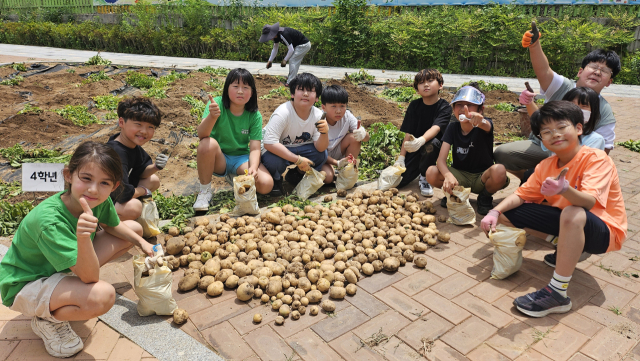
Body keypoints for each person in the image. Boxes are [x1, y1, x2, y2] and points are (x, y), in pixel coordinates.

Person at [0, 141, 155, 358]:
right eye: (86, 178)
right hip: (25, 283)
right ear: (68, 175)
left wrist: (143, 243)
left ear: (114, 186)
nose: (94, 189)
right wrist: (83, 236)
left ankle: (66, 290)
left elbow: (113, 225)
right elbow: (90, 277)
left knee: (133, 229)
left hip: (58, 267)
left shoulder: (95, 200)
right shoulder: (50, 221)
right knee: (102, 295)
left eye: (104, 183)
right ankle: (47, 319)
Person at [481, 101, 627, 318]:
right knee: (506, 213)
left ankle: (557, 293)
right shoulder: (545, 166)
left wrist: (565, 189)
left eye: (561, 127)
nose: (555, 135)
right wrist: (493, 212)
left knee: (573, 211)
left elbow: (587, 203)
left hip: (604, 231)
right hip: (570, 221)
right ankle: (565, 243)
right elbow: (521, 195)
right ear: (541, 139)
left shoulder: (596, 158)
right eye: (546, 132)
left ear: (578, 128)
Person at [495, 22, 620, 180]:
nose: (597, 72)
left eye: (605, 71)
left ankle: (554, 183)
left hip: (575, 159)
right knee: (503, 154)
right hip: (543, 145)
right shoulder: (563, 86)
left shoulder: (605, 112)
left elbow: (603, 152)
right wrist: (534, 45)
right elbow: (544, 70)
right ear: (580, 71)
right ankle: (529, 178)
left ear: (609, 81)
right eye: (593, 66)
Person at [193, 68, 273, 211]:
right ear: (227, 88)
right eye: (235, 86)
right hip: (219, 158)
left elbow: (255, 148)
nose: (240, 91)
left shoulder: (254, 115)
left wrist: (253, 168)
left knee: (266, 185)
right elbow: (201, 134)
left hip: (240, 159)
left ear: (252, 92)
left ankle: (234, 177)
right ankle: (204, 191)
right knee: (206, 143)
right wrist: (212, 116)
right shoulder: (216, 104)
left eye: (245, 87)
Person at [425, 84, 509, 215]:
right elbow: (440, 160)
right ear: (453, 109)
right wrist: (448, 176)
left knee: (499, 170)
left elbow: (486, 125)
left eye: (469, 105)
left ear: (480, 109)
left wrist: (480, 121)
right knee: (431, 172)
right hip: (460, 176)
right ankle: (456, 194)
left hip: (482, 177)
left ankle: (485, 197)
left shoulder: (485, 125)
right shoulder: (452, 128)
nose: (464, 109)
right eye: (459, 105)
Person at [261, 72, 329, 196]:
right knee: (273, 161)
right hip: (276, 148)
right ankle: (276, 179)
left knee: (321, 155)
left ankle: (297, 175)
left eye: (310, 91)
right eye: (301, 89)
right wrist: (298, 160)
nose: (306, 94)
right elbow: (269, 143)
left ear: (317, 97)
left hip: (299, 147)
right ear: (292, 94)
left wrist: (325, 133)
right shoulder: (283, 112)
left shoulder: (318, 115)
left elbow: (320, 147)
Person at [107, 97, 167, 221]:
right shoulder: (116, 152)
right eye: (138, 124)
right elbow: (121, 193)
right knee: (133, 207)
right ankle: (106, 224)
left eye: (150, 127)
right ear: (122, 122)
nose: (144, 131)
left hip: (120, 192)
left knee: (153, 180)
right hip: (104, 200)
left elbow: (141, 170)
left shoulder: (131, 144)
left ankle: (125, 216)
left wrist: (156, 167)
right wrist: (142, 191)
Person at [394, 69, 452, 196]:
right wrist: (401, 157)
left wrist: (421, 140)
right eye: (421, 83)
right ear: (417, 89)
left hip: (432, 149)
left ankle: (425, 177)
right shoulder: (414, 106)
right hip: (415, 147)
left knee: (431, 144)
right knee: (399, 181)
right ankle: (418, 170)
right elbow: (409, 133)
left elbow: (436, 128)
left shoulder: (444, 107)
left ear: (440, 85)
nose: (426, 85)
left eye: (430, 81)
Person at [319, 85, 369, 183]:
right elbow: (317, 151)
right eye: (333, 106)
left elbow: (367, 138)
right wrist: (336, 163)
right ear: (324, 107)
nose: (338, 111)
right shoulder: (318, 119)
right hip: (320, 155)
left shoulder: (347, 116)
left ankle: (347, 170)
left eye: (342, 106)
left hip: (336, 150)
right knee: (328, 177)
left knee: (354, 138)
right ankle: (299, 173)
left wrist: (363, 135)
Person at [259, 22, 311, 86]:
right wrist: (270, 61)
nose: (269, 38)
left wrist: (285, 60)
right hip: (298, 46)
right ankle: (291, 78)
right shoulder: (277, 36)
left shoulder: (283, 34)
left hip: (304, 45)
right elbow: (275, 49)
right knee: (294, 61)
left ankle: (290, 82)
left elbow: (291, 49)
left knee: (293, 60)